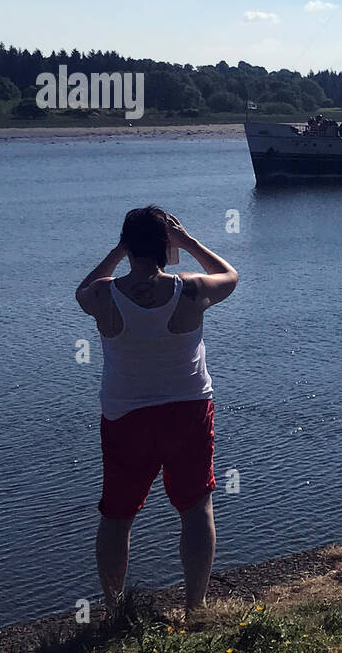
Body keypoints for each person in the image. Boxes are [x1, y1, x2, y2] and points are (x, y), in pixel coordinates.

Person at [75, 207, 239, 617]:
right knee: (196, 507)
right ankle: (195, 607)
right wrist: (190, 243)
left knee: (117, 514)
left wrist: (117, 252)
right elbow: (231, 276)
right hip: (188, 412)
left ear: (128, 245)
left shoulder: (103, 295)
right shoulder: (192, 288)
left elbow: (82, 290)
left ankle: (114, 610)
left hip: (125, 418)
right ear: (167, 245)